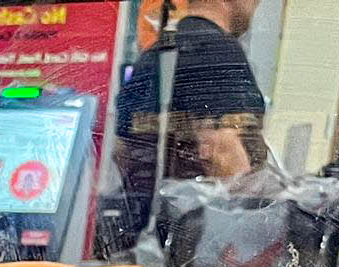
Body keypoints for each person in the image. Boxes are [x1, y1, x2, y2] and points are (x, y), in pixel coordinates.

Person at [110, 0, 269, 239]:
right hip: (196, 243)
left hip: (140, 236)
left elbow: (123, 153)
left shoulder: (152, 57)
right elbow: (222, 151)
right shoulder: (220, 53)